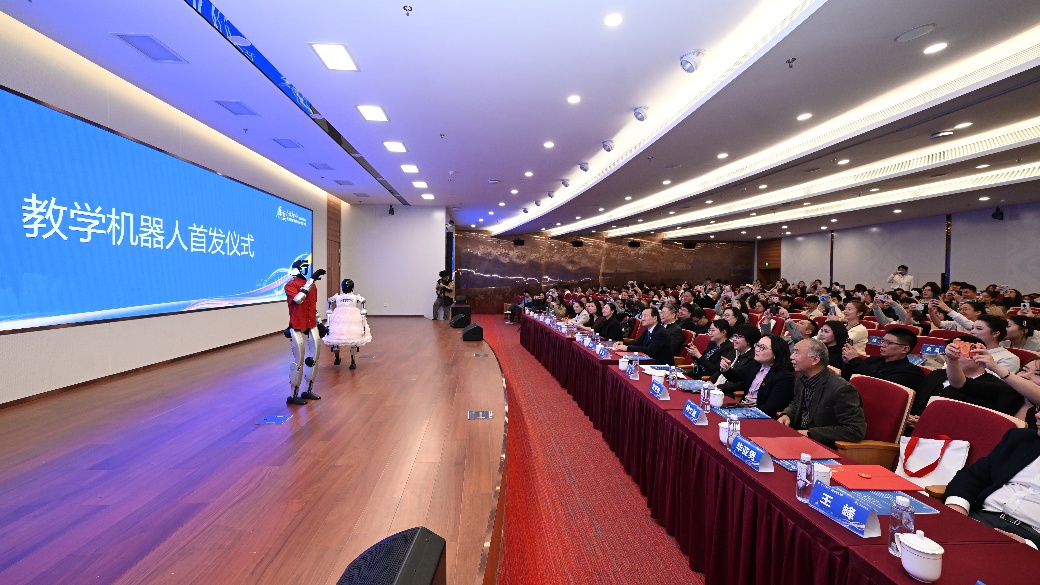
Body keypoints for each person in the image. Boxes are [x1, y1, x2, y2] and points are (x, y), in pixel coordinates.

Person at [944, 426, 1040, 549]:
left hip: (1031, 539)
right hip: (980, 519)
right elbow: (974, 476)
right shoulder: (1020, 439)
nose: (1037, 416)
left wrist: (1030, 546)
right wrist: (957, 508)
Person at [909, 336, 1022, 420]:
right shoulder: (937, 374)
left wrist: (926, 421)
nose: (950, 358)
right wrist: (908, 417)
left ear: (977, 356)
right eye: (948, 354)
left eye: (958, 354)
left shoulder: (995, 388)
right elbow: (915, 402)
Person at [779, 339, 867, 447]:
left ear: (815, 360)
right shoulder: (801, 377)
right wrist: (787, 415)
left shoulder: (841, 389)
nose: (791, 356)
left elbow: (855, 430)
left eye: (797, 352)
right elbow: (796, 403)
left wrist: (810, 433)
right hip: (797, 437)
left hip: (822, 444)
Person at [284, 258, 326, 405]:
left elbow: (312, 306)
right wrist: (311, 281)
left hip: (311, 322)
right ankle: (293, 394)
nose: (306, 269)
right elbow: (298, 299)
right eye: (304, 267)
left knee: (314, 358)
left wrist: (320, 323)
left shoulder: (312, 286)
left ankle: (308, 390)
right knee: (299, 360)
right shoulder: (291, 285)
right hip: (296, 324)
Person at [840, 328, 925, 390]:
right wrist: (848, 364)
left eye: (889, 343)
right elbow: (848, 379)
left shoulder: (912, 371)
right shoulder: (873, 360)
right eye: (883, 341)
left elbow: (883, 385)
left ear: (905, 349)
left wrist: (855, 360)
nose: (882, 345)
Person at [740, 334, 795, 418]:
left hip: (761, 416)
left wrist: (743, 411)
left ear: (775, 353)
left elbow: (771, 408)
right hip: (745, 408)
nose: (757, 349)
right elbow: (737, 376)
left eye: (762, 347)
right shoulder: (756, 364)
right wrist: (726, 369)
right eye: (757, 345)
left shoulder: (784, 377)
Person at [323, 278, 372, 369]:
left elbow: (329, 307)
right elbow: (363, 310)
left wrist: (328, 322)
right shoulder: (355, 298)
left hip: (339, 318)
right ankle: (351, 360)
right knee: (352, 339)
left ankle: (338, 357)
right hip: (352, 319)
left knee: (337, 338)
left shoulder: (337, 297)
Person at [717, 324, 763, 396]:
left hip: (729, 393)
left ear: (749, 340)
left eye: (738, 337)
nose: (734, 339)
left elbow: (740, 383)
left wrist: (717, 387)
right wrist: (710, 382)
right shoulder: (733, 352)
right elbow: (719, 371)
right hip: (717, 388)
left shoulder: (753, 358)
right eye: (734, 336)